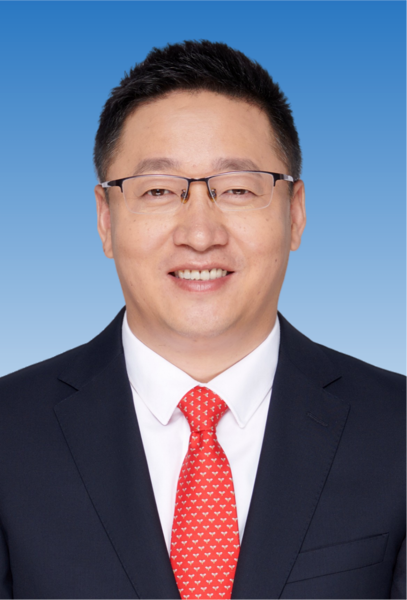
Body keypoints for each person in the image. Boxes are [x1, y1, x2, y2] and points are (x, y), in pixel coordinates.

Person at [0, 40, 406, 600]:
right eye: (158, 191)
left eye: (237, 189)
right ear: (105, 220)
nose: (199, 234)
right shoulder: (10, 433)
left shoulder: (396, 430)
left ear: (295, 214)